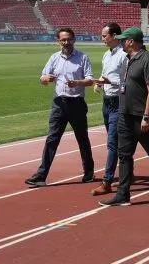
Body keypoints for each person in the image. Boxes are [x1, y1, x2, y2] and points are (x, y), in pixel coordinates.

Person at [100, 27, 149, 206]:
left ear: (131, 41)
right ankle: (123, 194)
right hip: (124, 115)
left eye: (123, 40)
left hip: (141, 117)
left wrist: (146, 116)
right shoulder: (128, 59)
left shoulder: (148, 60)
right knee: (124, 155)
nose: (120, 42)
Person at [25, 27, 96, 187]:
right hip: (59, 103)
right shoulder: (54, 58)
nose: (66, 43)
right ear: (58, 42)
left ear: (74, 40)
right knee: (52, 139)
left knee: (82, 139)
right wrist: (45, 79)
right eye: (63, 40)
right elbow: (43, 77)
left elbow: (90, 80)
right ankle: (41, 175)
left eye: (69, 39)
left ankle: (89, 173)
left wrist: (77, 83)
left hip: (76, 103)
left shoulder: (83, 57)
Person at [90, 22, 128, 196]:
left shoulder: (124, 55)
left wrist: (110, 82)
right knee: (115, 142)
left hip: (118, 102)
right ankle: (127, 172)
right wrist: (99, 82)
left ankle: (107, 181)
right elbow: (106, 73)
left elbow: (128, 81)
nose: (102, 39)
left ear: (114, 36)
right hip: (106, 102)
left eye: (105, 36)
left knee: (112, 142)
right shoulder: (106, 54)